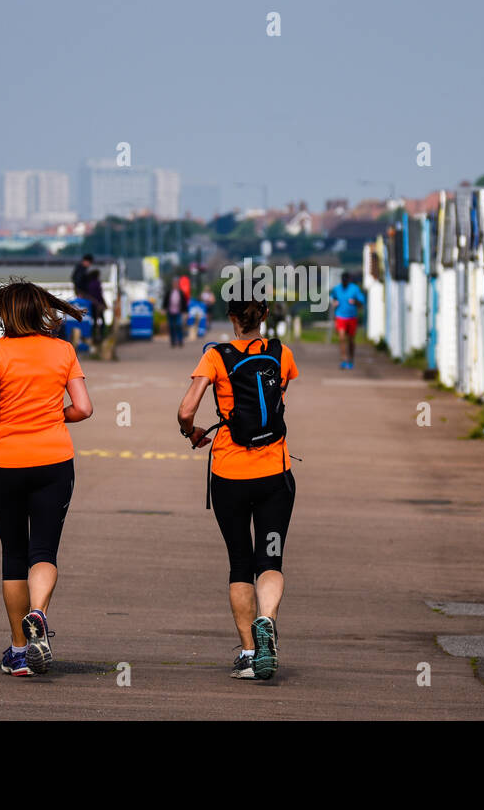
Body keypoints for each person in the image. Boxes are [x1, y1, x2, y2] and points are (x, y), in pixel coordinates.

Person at [0, 280, 93, 677]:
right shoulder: (63, 351)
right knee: (44, 551)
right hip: (53, 461)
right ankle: (38, 613)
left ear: (3, 315)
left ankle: (19, 651)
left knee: (13, 555)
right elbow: (85, 408)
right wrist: (57, 417)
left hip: (4, 463)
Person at [176, 291, 298, 681]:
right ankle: (268, 621)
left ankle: (249, 652)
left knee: (240, 563)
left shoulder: (216, 356)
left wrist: (192, 432)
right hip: (274, 475)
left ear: (230, 316)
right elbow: (277, 400)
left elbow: (185, 410)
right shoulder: (281, 353)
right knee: (271, 558)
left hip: (230, 475)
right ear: (264, 314)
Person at [329, 272, 366, 369]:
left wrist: (355, 302)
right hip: (340, 316)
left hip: (352, 317)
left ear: (349, 280)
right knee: (341, 338)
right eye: (343, 281)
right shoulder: (337, 289)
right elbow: (332, 297)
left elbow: (362, 302)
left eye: (346, 281)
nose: (344, 283)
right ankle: (343, 359)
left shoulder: (354, 289)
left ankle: (351, 359)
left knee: (351, 339)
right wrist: (334, 302)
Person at [163, 275, 189, 348]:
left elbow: (184, 303)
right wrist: (164, 309)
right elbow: (165, 301)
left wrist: (185, 312)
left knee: (178, 326)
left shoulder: (181, 293)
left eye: (176, 283)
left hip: (178, 312)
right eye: (174, 283)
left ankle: (180, 341)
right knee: (171, 327)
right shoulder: (169, 292)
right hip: (170, 312)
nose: (175, 284)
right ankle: (173, 342)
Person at [86, 269, 105, 345]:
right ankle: (101, 336)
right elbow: (99, 295)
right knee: (102, 321)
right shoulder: (97, 283)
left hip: (92, 304)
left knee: (93, 322)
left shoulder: (88, 284)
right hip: (98, 304)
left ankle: (93, 337)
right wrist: (103, 303)